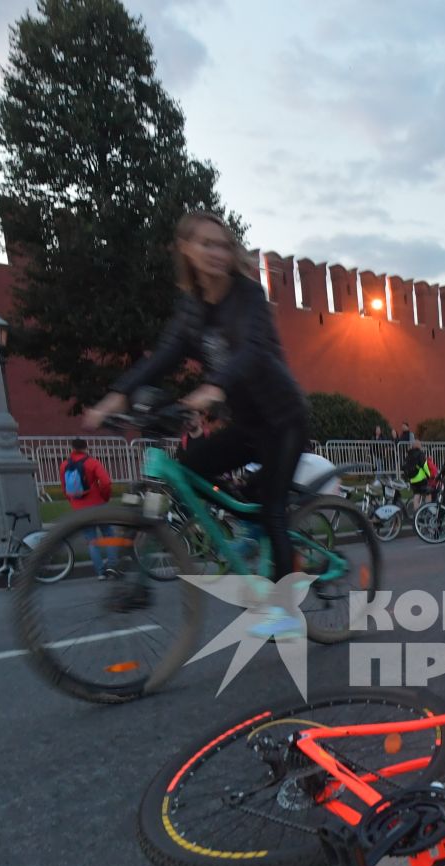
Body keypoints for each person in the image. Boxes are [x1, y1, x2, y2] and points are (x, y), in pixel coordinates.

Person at [84, 210, 308, 630]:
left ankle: (283, 610)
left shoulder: (249, 295)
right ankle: (238, 535)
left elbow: (254, 350)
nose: (217, 253)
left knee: (273, 509)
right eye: (205, 244)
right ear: (185, 249)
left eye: (222, 244)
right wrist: (115, 396)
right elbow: (164, 355)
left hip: (283, 419)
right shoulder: (191, 310)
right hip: (246, 425)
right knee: (184, 470)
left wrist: (213, 388)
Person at [61, 441, 116, 577]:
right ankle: (112, 568)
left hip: (79, 508)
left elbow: (64, 488)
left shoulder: (64, 465)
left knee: (91, 541)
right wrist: (105, 497)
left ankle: (100, 573)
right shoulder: (92, 462)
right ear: (86, 448)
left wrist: (73, 502)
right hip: (98, 504)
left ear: (72, 448)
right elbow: (106, 482)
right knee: (109, 535)